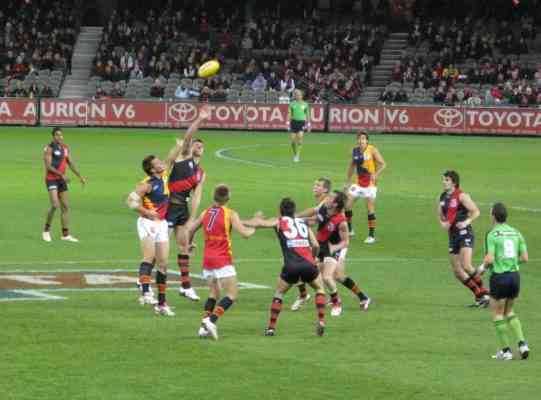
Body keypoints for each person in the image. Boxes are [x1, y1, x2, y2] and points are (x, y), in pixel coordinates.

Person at [246, 197, 327, 336]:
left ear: (280, 210)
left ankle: (271, 328)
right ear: (294, 210)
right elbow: (316, 245)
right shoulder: (303, 223)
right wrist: (313, 258)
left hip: (291, 266)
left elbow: (259, 224)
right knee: (319, 289)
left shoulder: (279, 222)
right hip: (309, 264)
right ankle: (321, 320)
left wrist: (239, 221)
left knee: (279, 294)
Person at [189, 184, 256, 340]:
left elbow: (191, 229)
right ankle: (212, 321)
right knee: (232, 294)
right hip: (222, 259)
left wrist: (190, 244)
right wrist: (255, 227)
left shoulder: (206, 212)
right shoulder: (230, 214)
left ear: (214, 197)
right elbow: (245, 233)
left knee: (214, 293)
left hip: (207, 260)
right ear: (228, 197)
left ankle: (203, 328)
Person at [299, 190, 371, 316]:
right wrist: (296, 220)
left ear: (336, 204)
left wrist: (333, 248)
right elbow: (314, 220)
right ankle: (362, 297)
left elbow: (346, 242)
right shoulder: (324, 210)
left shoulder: (341, 221)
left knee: (327, 277)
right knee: (326, 276)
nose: (327, 198)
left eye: (331, 197)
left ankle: (337, 303)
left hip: (334, 248)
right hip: (321, 246)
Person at [166, 106, 210, 301]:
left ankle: (185, 286)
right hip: (167, 205)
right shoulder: (184, 156)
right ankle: (145, 281)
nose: (198, 146)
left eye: (201, 145)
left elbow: (197, 197)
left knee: (184, 247)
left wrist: (192, 219)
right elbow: (188, 135)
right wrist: (200, 120)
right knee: (161, 245)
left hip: (182, 208)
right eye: (196, 144)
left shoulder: (201, 173)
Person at [475, 203, 529, 360]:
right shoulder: (516, 232)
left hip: (499, 277)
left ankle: (506, 351)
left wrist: (482, 268)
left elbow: (490, 258)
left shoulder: (492, 234)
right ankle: (522, 344)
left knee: (497, 314)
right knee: (509, 311)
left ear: (493, 216)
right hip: (514, 277)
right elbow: (525, 258)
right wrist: (511, 262)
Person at [126, 155, 174, 316]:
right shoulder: (147, 184)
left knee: (163, 264)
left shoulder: (164, 176)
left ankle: (161, 303)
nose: (162, 163)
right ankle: (146, 292)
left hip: (162, 223)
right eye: (158, 163)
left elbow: (172, 158)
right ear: (152, 169)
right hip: (148, 223)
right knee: (148, 257)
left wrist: (182, 143)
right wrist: (147, 212)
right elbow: (130, 201)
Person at [438, 170, 489, 307]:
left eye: (447, 180)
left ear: (454, 182)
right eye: (443, 179)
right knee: (457, 271)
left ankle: (484, 292)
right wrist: (442, 222)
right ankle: (479, 296)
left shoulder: (462, 196)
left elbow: (476, 211)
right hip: (452, 235)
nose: (444, 182)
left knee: (466, 265)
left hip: (465, 233)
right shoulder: (442, 197)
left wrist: (466, 222)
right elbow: (441, 215)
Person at [291, 177, 332, 311]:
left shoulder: (327, 202)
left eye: (318, 185)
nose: (314, 187)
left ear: (325, 189)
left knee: (302, 268)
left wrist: (296, 220)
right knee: (306, 269)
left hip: (330, 243)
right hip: (323, 242)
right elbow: (313, 211)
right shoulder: (322, 202)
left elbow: (315, 220)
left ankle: (305, 296)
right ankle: (306, 295)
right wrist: (295, 216)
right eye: (314, 185)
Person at [42, 127, 86, 242]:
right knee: (55, 205)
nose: (60, 137)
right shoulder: (49, 148)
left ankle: (65, 235)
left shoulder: (65, 148)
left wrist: (80, 176)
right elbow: (48, 166)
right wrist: (62, 175)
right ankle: (46, 230)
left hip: (61, 180)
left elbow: (70, 163)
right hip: (51, 179)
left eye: (61, 135)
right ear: (53, 136)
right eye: (57, 135)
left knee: (65, 206)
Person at [344, 131, 386, 243]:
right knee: (347, 205)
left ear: (367, 140)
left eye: (363, 138)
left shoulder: (372, 149)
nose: (361, 140)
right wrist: (347, 181)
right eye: (359, 138)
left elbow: (383, 164)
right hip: (358, 182)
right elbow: (351, 166)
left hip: (370, 184)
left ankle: (371, 236)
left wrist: (376, 174)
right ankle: (350, 230)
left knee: (369, 209)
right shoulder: (354, 151)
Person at [287, 89, 310, 163]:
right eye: (296, 95)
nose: (298, 96)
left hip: (301, 122)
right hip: (293, 122)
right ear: (295, 96)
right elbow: (289, 113)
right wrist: (287, 123)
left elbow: (307, 114)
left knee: (300, 137)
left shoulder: (305, 104)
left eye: (299, 95)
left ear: (301, 96)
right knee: (293, 140)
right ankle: (295, 154)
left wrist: (309, 124)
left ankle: (297, 155)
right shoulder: (292, 104)